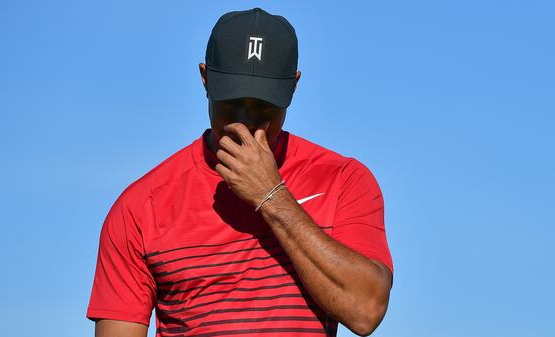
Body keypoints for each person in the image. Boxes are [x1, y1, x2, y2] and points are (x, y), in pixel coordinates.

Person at [86, 7, 393, 337]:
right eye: (232, 103)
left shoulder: (343, 179)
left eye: (264, 106)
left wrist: (271, 196)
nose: (245, 120)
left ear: (293, 87)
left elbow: (366, 311)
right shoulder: (140, 207)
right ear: (205, 79)